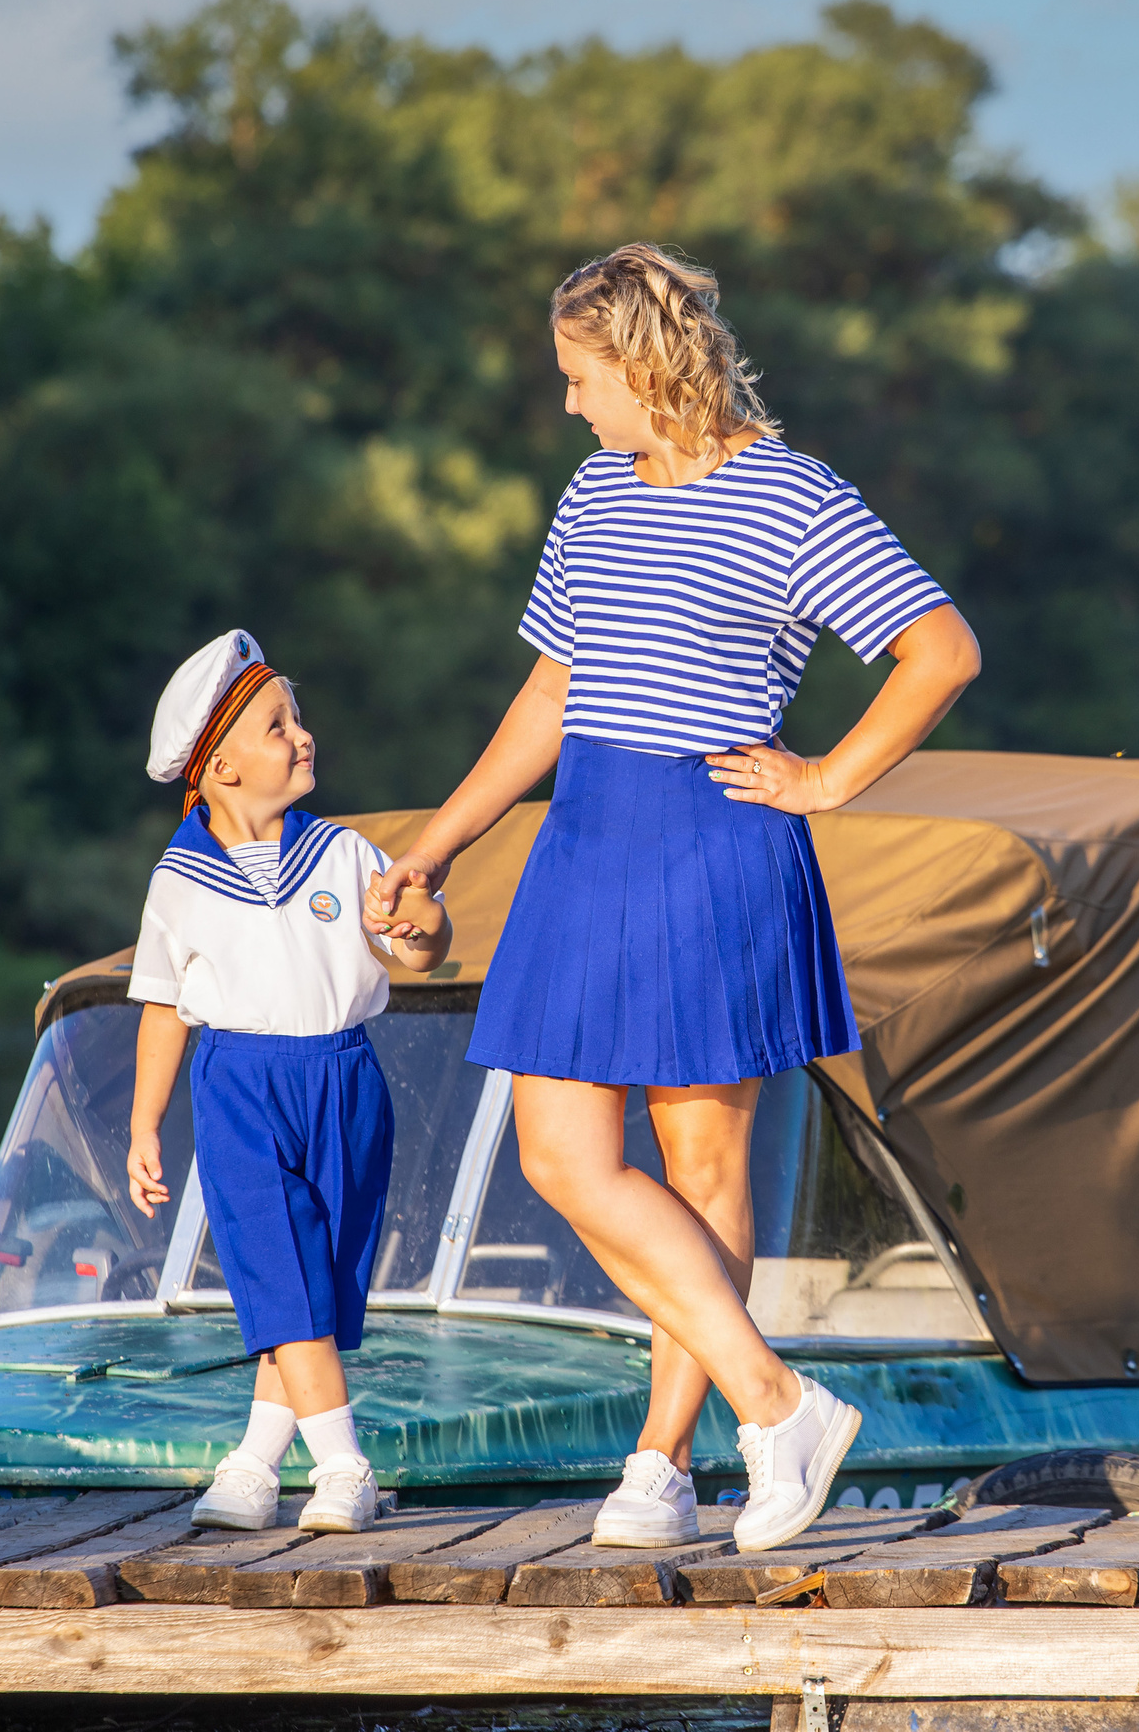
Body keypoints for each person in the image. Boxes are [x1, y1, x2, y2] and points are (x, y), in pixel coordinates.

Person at [365, 242, 980, 1554]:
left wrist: (828, 779)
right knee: (561, 1157)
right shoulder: (594, 491)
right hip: (585, 839)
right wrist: (440, 844)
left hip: (714, 841)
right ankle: (777, 1404)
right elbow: (549, 693)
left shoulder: (791, 497)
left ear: (645, 365)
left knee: (702, 1169)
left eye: (580, 376)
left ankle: (663, 1464)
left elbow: (941, 648)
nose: (572, 405)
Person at [126, 629, 451, 1535]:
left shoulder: (342, 853)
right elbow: (162, 1006)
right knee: (278, 1268)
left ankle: (253, 1464)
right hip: (241, 1085)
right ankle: (345, 1466)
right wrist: (145, 1123)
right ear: (221, 764)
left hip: (344, 1078)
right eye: (278, 725)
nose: (302, 735)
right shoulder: (179, 882)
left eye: (298, 718)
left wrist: (421, 927)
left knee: (318, 1283)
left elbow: (412, 942)